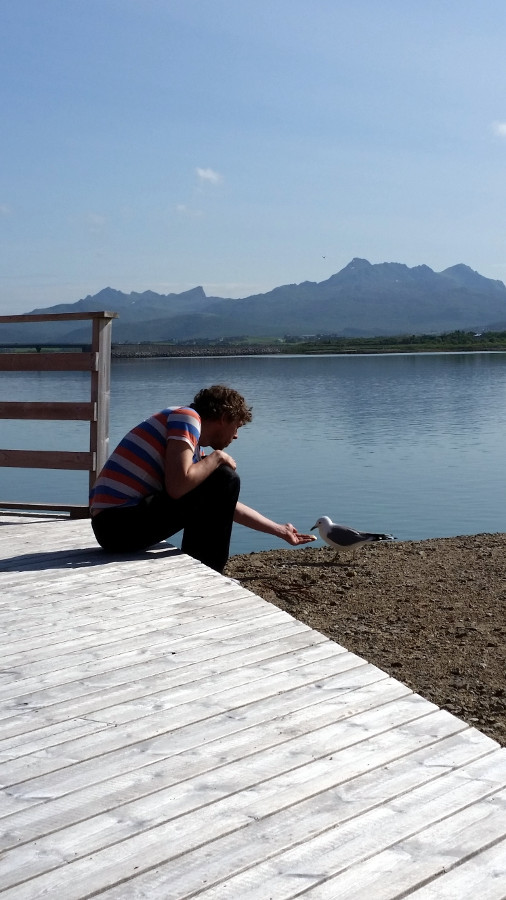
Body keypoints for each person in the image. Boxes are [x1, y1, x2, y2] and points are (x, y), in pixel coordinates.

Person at [90, 384, 314, 573]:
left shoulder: (192, 443)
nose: (235, 436)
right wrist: (217, 457)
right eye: (236, 427)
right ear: (224, 418)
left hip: (116, 527)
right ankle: (207, 570)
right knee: (225, 477)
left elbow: (224, 504)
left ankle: (205, 569)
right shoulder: (186, 418)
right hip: (116, 525)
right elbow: (178, 487)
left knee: (221, 480)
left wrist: (279, 530)